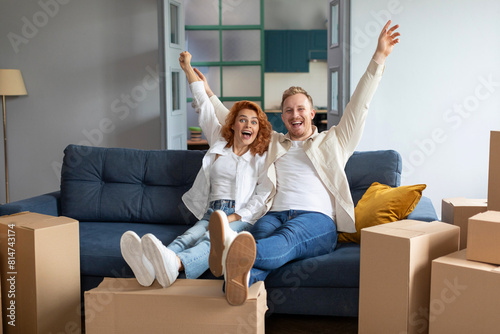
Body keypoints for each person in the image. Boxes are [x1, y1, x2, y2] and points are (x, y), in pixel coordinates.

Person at [205, 20, 401, 305]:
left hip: (316, 220)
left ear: (312, 114)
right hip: (273, 215)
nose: (294, 114)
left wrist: (379, 57)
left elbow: (360, 105)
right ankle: (239, 301)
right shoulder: (271, 142)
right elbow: (230, 118)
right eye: (288, 111)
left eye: (300, 109)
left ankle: (226, 251)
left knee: (283, 241)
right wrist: (205, 90)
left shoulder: (335, 140)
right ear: (282, 118)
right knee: (253, 257)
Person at [119, 51, 273, 288]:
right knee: (187, 236)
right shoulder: (220, 143)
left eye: (254, 122)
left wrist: (232, 218)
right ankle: (150, 267)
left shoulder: (260, 157)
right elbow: (204, 106)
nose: (248, 125)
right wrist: (187, 68)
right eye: (243, 119)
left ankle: (175, 264)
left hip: (239, 216)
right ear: (232, 124)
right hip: (211, 210)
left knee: (209, 240)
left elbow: (262, 197)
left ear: (258, 129)